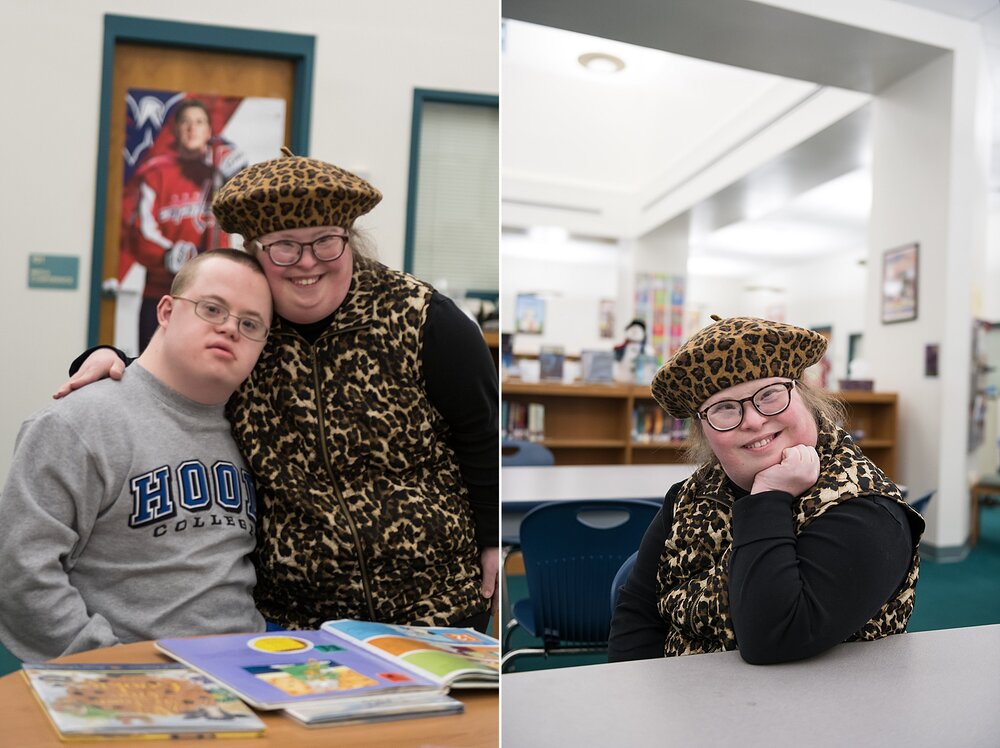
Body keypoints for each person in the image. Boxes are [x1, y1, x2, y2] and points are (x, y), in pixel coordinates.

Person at [58, 149, 499, 633]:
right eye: (285, 246)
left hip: (435, 605)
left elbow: (480, 433)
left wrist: (493, 539)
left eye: (326, 242)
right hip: (298, 622)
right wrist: (110, 360)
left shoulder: (422, 318)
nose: (307, 262)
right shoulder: (246, 327)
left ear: (349, 239)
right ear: (255, 251)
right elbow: (173, 369)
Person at [0, 250, 272, 661]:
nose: (230, 329)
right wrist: (113, 667)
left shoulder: (257, 433)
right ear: (165, 311)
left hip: (250, 670)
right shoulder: (78, 423)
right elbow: (21, 575)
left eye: (249, 324)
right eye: (212, 309)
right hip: (126, 684)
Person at [608, 315, 924, 665]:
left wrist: (769, 497)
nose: (754, 420)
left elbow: (773, 637)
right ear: (703, 429)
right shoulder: (688, 497)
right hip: (681, 706)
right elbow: (637, 613)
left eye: (770, 395)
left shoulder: (865, 508)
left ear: (803, 395)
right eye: (724, 409)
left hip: (821, 710)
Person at [120, 98, 247, 351]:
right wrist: (167, 254)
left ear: (209, 131)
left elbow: (246, 223)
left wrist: (240, 179)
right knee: (152, 368)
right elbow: (141, 233)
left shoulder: (220, 170)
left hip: (211, 294)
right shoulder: (156, 172)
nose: (192, 128)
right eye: (186, 122)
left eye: (199, 122)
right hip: (161, 293)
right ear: (176, 130)